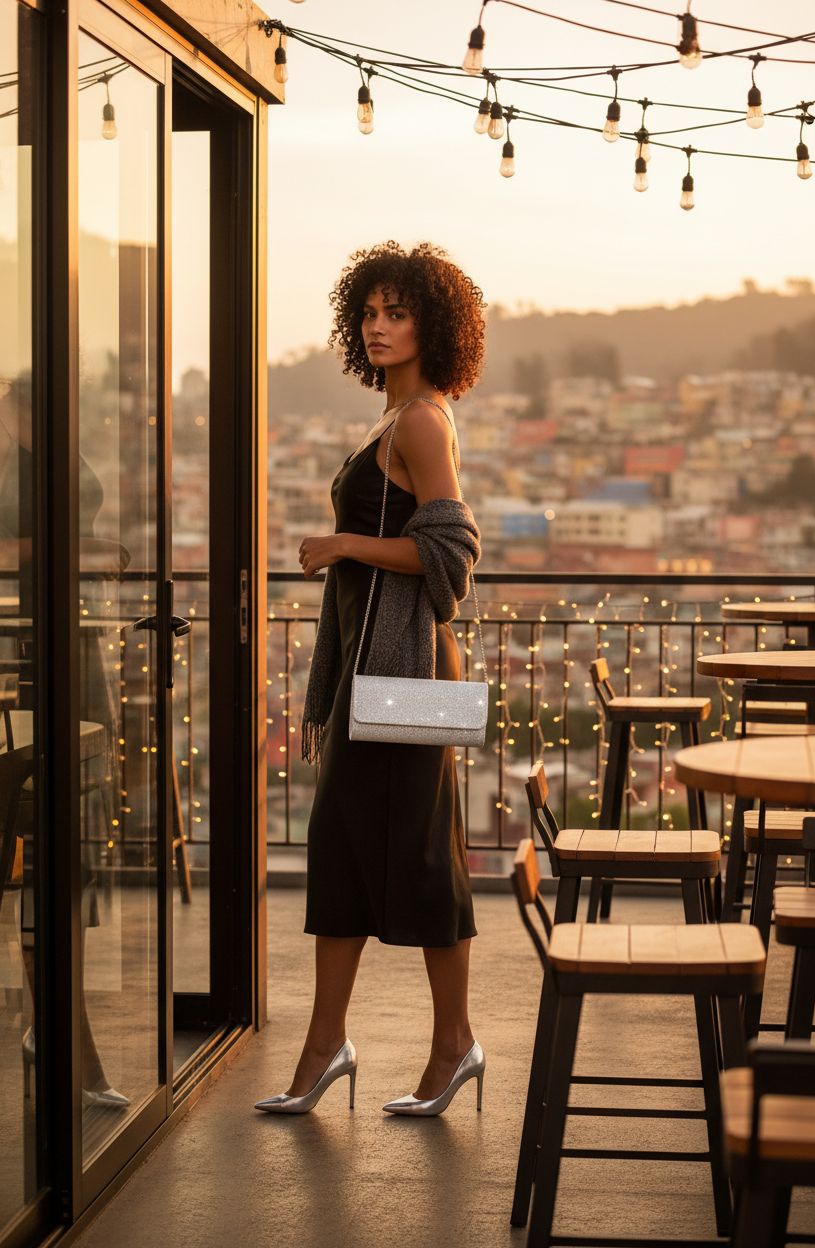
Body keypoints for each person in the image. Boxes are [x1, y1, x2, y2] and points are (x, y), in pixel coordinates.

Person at [255, 241, 487, 1117]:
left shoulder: (424, 420)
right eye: (371, 313)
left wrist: (346, 544)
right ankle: (327, 1047)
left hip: (408, 677)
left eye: (398, 313)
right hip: (370, 680)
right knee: (343, 854)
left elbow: (453, 558)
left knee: (425, 864)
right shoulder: (393, 421)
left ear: (433, 325)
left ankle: (453, 1046)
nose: (380, 327)